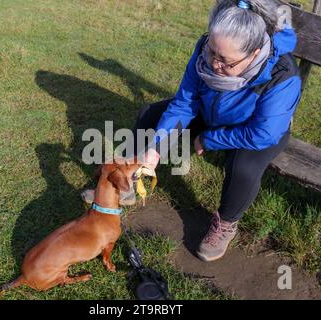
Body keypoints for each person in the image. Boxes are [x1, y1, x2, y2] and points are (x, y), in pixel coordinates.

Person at [82, 0, 301, 262]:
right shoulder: (206, 50)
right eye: (212, 53)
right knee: (151, 115)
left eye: (226, 62)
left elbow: (263, 133)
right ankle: (130, 178)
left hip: (255, 130)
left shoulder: (282, 76)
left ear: (254, 54)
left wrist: (209, 138)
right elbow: (184, 104)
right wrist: (157, 147)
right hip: (210, 114)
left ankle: (226, 223)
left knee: (244, 166)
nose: (215, 64)